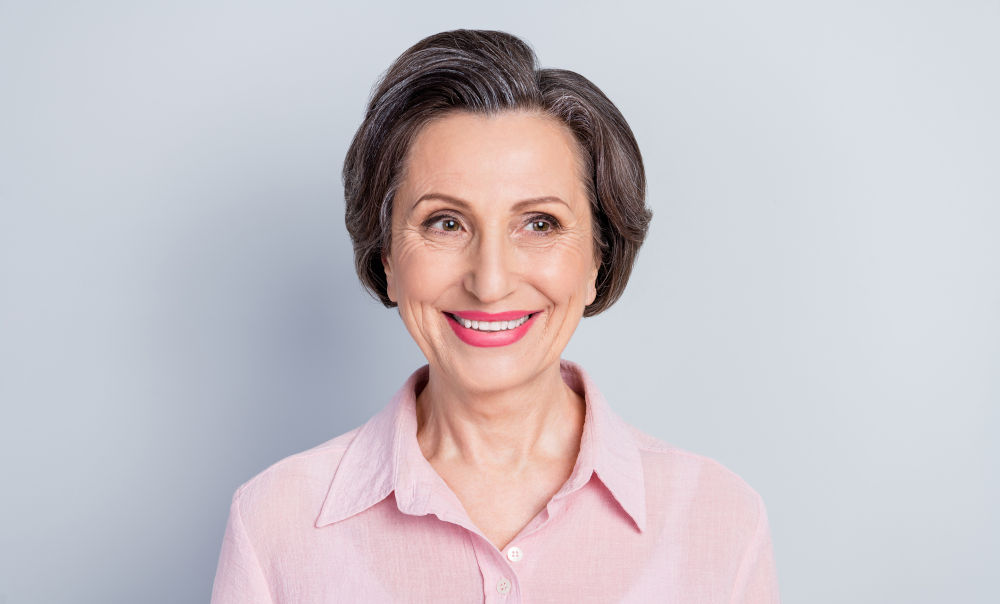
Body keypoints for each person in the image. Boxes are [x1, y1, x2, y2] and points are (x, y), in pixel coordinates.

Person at [211, 29, 780, 603]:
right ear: (386, 258)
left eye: (539, 224)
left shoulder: (719, 520)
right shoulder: (276, 524)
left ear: (596, 260)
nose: (490, 282)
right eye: (445, 223)